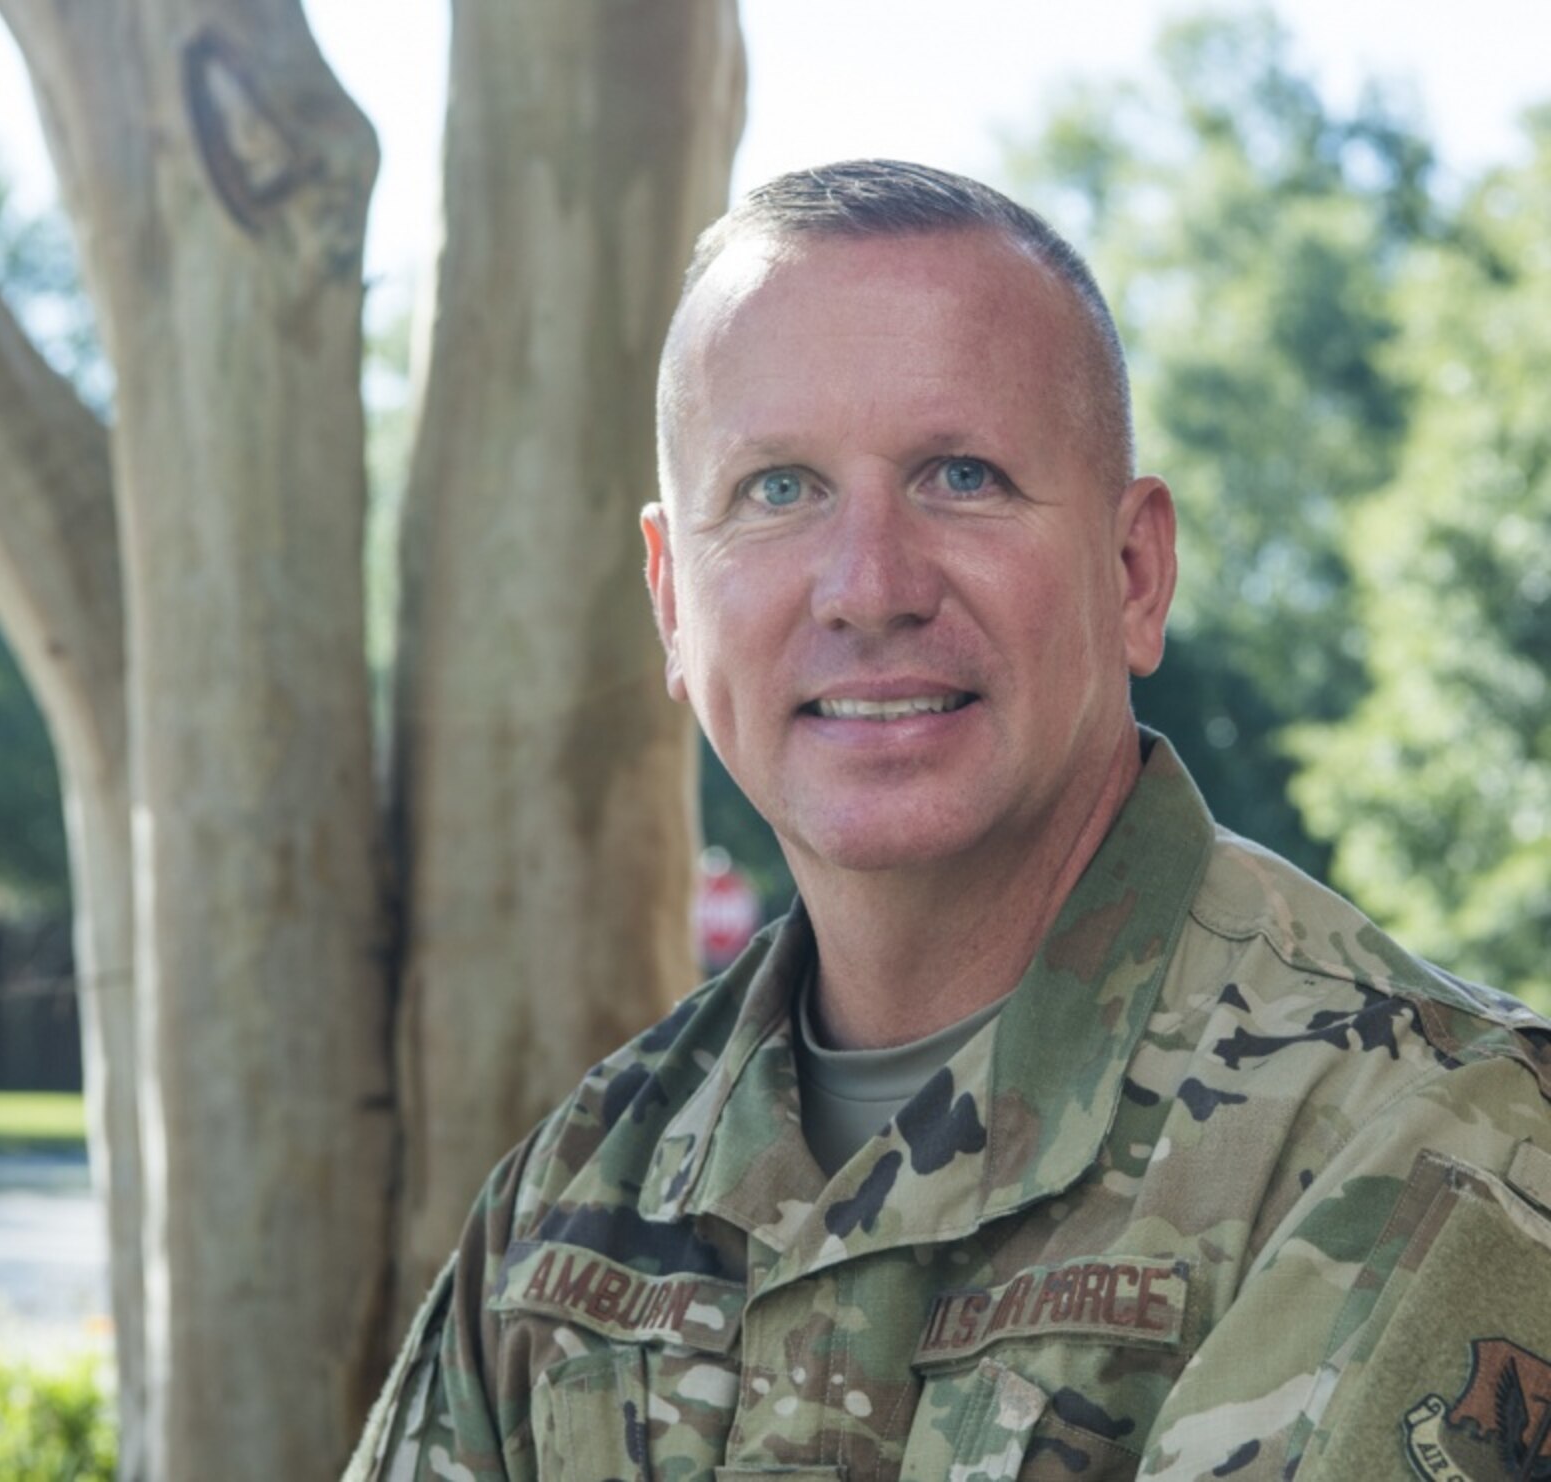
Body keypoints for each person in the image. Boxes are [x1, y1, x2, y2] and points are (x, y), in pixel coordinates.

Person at [343, 161, 1551, 1482]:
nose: (870, 587)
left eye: (961, 474)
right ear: (673, 600)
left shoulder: (1432, 1137)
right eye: (778, 489)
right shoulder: (569, 1209)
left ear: (1133, 571)